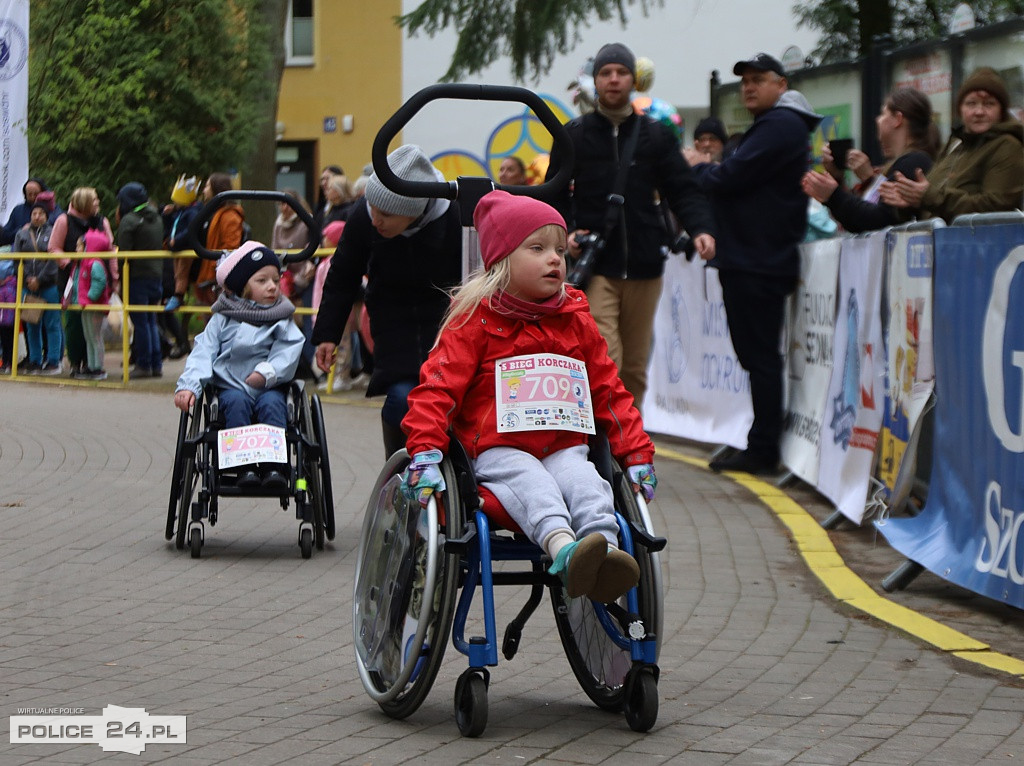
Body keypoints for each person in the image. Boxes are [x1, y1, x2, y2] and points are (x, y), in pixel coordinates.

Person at [400, 190, 657, 603]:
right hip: (499, 450)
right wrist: (425, 451)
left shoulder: (576, 320)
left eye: (559, 248)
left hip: (562, 443)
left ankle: (604, 556)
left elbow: (609, 391)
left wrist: (637, 454)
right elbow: (438, 389)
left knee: (589, 484)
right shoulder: (473, 320)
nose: (555, 258)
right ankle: (566, 554)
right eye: (537, 248)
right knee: (535, 485)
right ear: (502, 260)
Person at [546, 42, 716, 410]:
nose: (613, 79)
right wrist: (568, 232)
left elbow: (683, 189)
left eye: (621, 72)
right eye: (606, 73)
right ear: (595, 81)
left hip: (645, 266)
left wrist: (701, 228)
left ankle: (628, 445)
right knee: (607, 358)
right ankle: (600, 441)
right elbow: (553, 195)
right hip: (597, 266)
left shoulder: (656, 136)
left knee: (636, 366)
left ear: (633, 80)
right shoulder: (573, 135)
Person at [684, 53, 823, 475]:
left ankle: (763, 449)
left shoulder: (780, 125)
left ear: (781, 85)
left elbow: (731, 178)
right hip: (751, 257)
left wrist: (701, 168)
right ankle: (758, 441)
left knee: (760, 357)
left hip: (759, 260)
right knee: (755, 357)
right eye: (744, 81)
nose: (748, 87)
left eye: (758, 79)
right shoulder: (771, 126)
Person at [312, 144, 463, 457]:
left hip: (447, 318)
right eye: (372, 208)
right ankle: (398, 473)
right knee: (401, 399)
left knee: (452, 401)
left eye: (386, 214)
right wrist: (327, 334)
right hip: (392, 317)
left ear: (414, 210)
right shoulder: (363, 217)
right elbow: (342, 275)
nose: (375, 220)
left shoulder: (455, 215)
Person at [173, 241, 305, 490]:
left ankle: (274, 465)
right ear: (242, 287)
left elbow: (288, 351)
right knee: (235, 403)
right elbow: (204, 352)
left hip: (268, 385)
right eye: (262, 280)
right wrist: (189, 386)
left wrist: (267, 373)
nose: (272, 287)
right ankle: (240, 466)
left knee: (273, 404)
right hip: (230, 386)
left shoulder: (281, 317)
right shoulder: (223, 318)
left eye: (276, 280)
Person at [879, 67, 1024, 222]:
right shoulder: (956, 145)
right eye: (971, 103)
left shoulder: (1007, 145)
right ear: (960, 110)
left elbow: (996, 207)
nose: (979, 111)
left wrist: (928, 197)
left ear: (1001, 111)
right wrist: (909, 202)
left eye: (989, 104)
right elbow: (932, 203)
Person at [802, 87, 938, 233]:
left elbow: (878, 221)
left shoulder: (912, 162)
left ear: (898, 119)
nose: (877, 119)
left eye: (883, 113)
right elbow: (859, 220)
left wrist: (833, 194)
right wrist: (837, 181)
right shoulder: (905, 162)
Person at [49, 187, 117, 378]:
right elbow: (54, 248)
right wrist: (73, 263)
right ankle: (76, 361)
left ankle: (93, 364)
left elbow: (111, 249)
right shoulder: (64, 220)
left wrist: (115, 277)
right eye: (94, 200)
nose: (97, 203)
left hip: (97, 278)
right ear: (84, 202)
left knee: (93, 326)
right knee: (74, 323)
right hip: (73, 279)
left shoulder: (102, 222)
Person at [13, 203, 61, 375]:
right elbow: (17, 259)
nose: (37, 216)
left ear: (47, 216)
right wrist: (28, 279)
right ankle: (35, 360)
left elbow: (54, 259)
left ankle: (54, 360)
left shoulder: (53, 233)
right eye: (34, 213)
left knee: (52, 324)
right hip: (28, 286)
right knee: (32, 324)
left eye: (41, 213)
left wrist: (40, 280)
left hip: (48, 285)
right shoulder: (22, 234)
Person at [71, 229, 114, 381]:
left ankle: (98, 367)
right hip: (85, 305)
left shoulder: (94, 263)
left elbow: (100, 282)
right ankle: (91, 365)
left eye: (79, 246)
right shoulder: (81, 264)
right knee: (89, 336)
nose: (76, 250)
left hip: (94, 306)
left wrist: (90, 297)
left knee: (95, 337)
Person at [196, 172, 245, 305]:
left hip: (218, 276)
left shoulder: (229, 216)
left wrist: (215, 270)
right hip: (211, 273)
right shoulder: (212, 213)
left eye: (207, 186)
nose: (204, 190)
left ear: (216, 188)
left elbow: (230, 246)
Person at [0, 177, 46, 247]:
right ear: (25, 195)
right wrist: (21, 231)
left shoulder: (52, 209)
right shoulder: (18, 210)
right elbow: (5, 236)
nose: (33, 197)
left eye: (36, 194)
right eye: (30, 194)